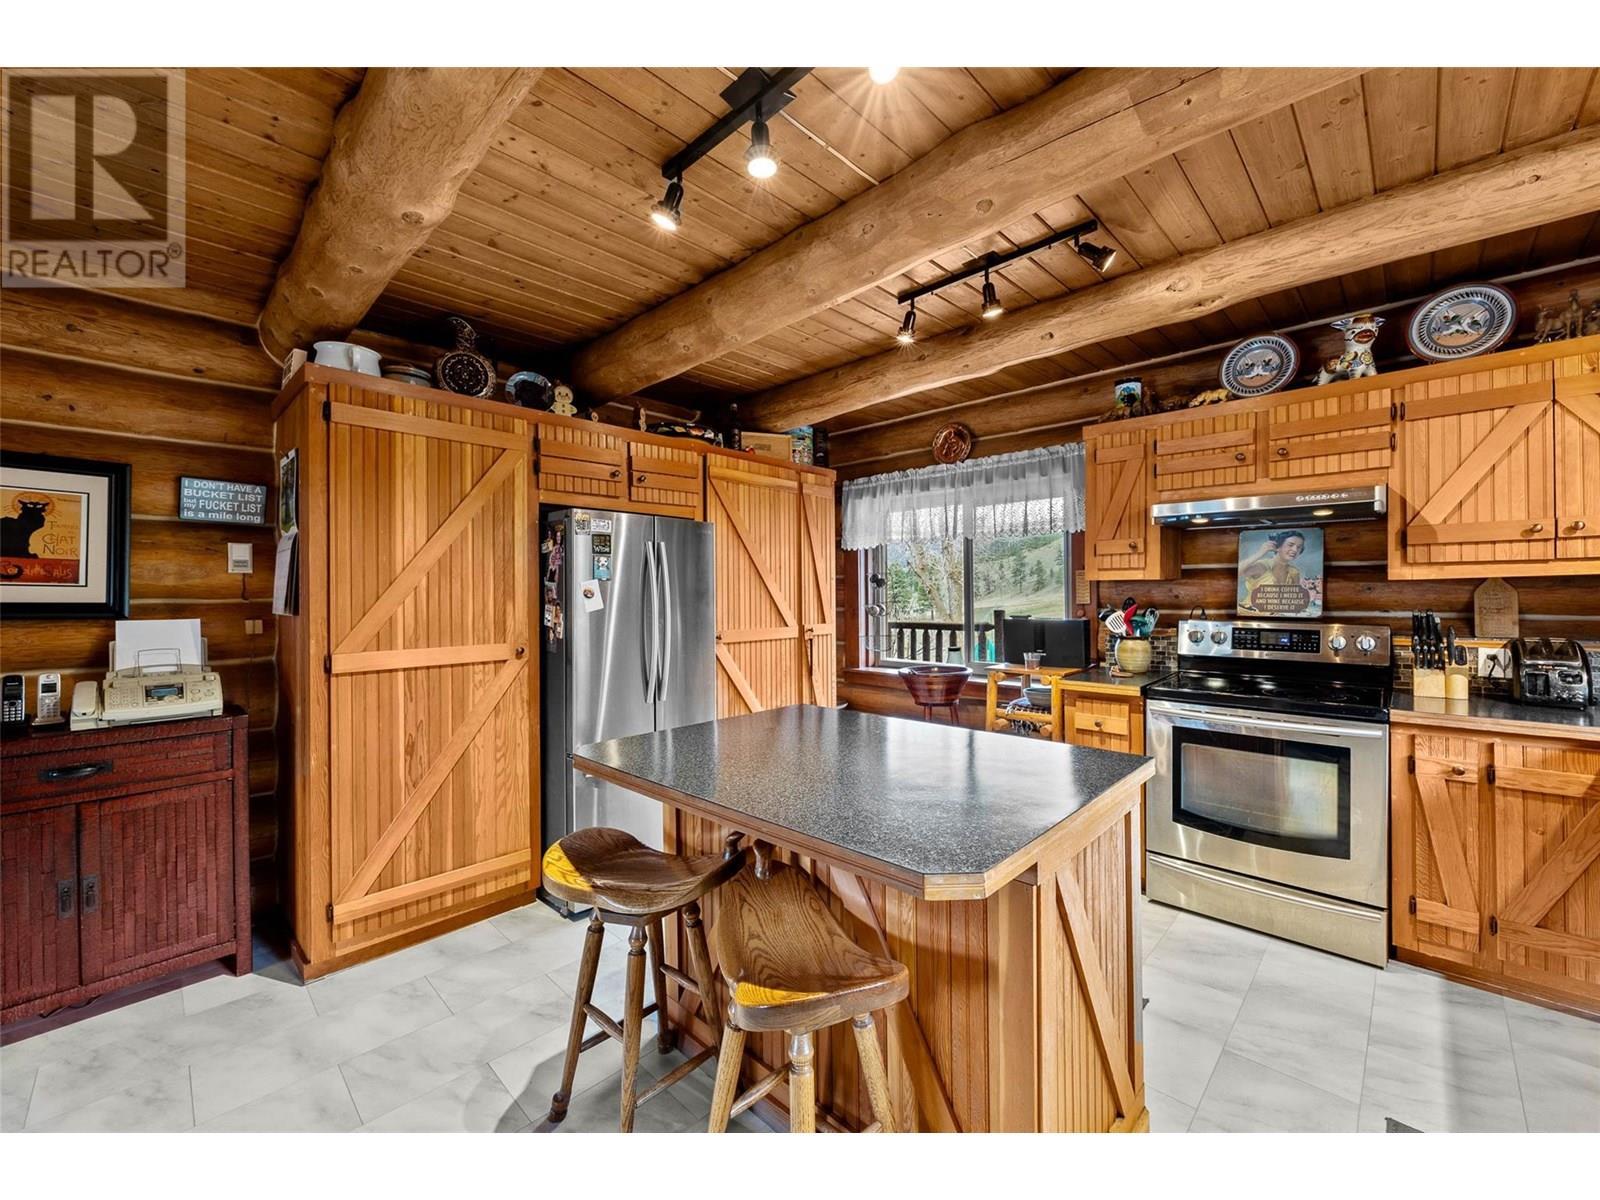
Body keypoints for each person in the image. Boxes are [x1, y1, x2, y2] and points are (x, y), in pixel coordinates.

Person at [1240, 530, 1320, 614]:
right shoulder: (1262, 566)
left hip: (1274, 617)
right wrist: (1260, 553)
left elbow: (1293, 600)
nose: (1295, 550)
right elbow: (1236, 572)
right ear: (1278, 546)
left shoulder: (1294, 572)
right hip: (1248, 614)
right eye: (1290, 545)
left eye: (1299, 547)